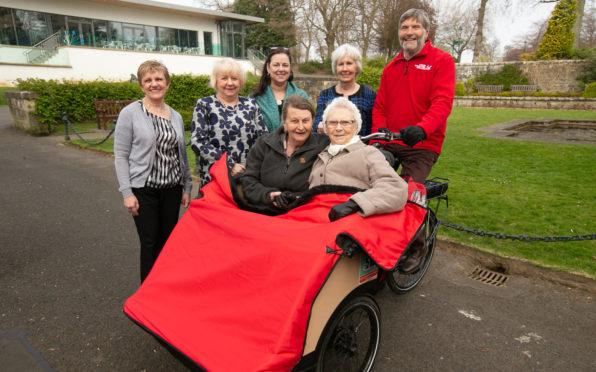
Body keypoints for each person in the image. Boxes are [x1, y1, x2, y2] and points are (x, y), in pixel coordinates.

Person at [372, 8, 455, 272]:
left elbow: (442, 103)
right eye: (405, 27)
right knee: (369, 182)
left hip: (422, 145)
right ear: (399, 33)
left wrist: (422, 129)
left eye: (415, 27)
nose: (409, 32)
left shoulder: (441, 61)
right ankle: (374, 237)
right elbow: (380, 107)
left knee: (410, 193)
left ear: (426, 32)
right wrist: (379, 136)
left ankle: (418, 245)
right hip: (391, 142)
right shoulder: (391, 68)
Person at [114, 60, 192, 282]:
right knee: (150, 241)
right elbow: (120, 155)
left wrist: (186, 186)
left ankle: (165, 287)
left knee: (168, 242)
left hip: (172, 189)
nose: (154, 84)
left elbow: (182, 155)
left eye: (158, 79)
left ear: (167, 83)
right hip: (144, 190)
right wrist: (127, 193)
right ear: (141, 85)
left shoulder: (175, 116)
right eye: (148, 80)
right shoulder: (130, 113)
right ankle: (147, 293)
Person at [310, 97, 408, 221]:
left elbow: (396, 188)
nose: (338, 128)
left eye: (345, 122)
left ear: (356, 127)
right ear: (325, 127)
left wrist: (354, 204)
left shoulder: (368, 153)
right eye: (332, 123)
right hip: (314, 219)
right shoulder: (322, 156)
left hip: (347, 223)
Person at [240, 95, 329, 212]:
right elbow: (248, 181)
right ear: (284, 123)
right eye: (294, 121)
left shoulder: (323, 144)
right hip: (265, 210)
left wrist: (298, 198)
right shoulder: (264, 144)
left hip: (303, 211)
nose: (301, 127)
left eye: (306, 121)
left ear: (312, 122)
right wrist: (269, 195)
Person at [191, 58, 267, 188]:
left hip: (248, 178)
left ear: (241, 81)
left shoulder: (251, 105)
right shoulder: (204, 105)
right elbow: (198, 142)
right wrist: (229, 164)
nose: (230, 83)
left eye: (234, 78)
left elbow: (263, 138)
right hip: (216, 178)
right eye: (224, 78)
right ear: (216, 81)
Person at [313, 44, 376, 136]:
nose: (345, 69)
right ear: (335, 68)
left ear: (357, 67)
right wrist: (319, 128)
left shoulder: (369, 95)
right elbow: (316, 125)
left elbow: (372, 129)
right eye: (340, 64)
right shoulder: (325, 95)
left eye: (349, 63)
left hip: (360, 147)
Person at [251, 48, 309, 133]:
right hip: (263, 146)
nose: (281, 69)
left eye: (285, 65)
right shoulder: (256, 97)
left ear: (290, 68)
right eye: (276, 65)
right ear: (268, 68)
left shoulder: (301, 96)